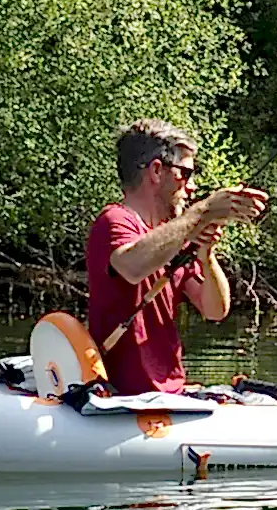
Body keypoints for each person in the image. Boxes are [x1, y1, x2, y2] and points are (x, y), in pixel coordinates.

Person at [85, 118, 267, 396]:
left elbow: (215, 310)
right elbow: (133, 266)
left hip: (169, 394)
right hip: (122, 394)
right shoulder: (114, 220)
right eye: (185, 173)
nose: (191, 187)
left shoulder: (175, 238)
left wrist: (206, 256)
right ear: (157, 171)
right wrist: (204, 211)